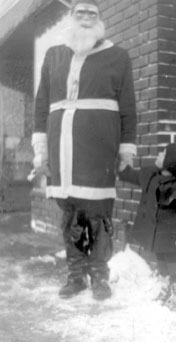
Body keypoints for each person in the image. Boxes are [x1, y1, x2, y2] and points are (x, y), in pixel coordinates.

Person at [31, 0, 137, 300]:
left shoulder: (118, 56)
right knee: (72, 219)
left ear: (101, 19)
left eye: (93, 13)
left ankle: (100, 277)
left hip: (98, 151)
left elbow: (128, 108)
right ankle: (76, 276)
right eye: (81, 13)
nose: (87, 18)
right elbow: (41, 106)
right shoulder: (54, 54)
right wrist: (41, 149)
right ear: (71, 16)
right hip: (61, 150)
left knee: (99, 218)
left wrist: (126, 151)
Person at [118, 143, 176, 311]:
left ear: (171, 162)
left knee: (175, 265)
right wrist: (122, 167)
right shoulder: (151, 176)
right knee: (161, 263)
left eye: (164, 153)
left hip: (173, 237)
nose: (159, 154)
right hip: (157, 235)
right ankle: (165, 286)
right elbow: (132, 175)